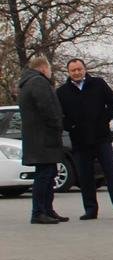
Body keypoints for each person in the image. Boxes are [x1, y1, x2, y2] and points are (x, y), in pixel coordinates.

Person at [56, 58, 113, 220]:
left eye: (79, 69)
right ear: (69, 72)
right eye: (73, 70)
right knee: (85, 176)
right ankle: (90, 209)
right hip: (80, 140)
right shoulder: (62, 92)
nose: (76, 72)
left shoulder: (98, 84)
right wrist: (70, 126)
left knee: (111, 172)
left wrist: (104, 120)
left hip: (101, 137)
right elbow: (59, 115)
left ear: (84, 69)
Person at [18, 56, 68, 225]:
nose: (50, 72)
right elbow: (48, 108)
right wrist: (57, 124)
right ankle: (39, 212)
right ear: (43, 68)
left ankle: (48, 209)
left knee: (49, 174)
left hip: (38, 139)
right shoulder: (38, 82)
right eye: (49, 69)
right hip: (44, 138)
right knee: (44, 176)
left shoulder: (27, 83)